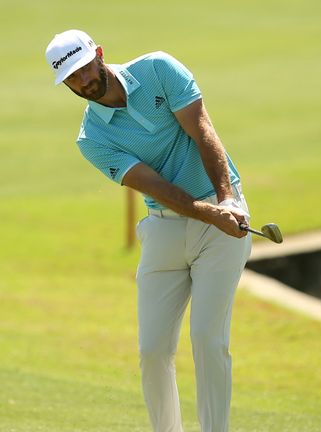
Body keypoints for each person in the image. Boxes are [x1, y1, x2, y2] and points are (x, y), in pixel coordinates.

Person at [45, 29, 252, 432]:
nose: (83, 81)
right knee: (153, 350)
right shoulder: (92, 138)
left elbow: (203, 131)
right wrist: (210, 214)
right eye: (71, 78)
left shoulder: (158, 68)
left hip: (222, 216)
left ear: (99, 54)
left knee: (209, 341)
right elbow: (156, 188)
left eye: (85, 68)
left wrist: (227, 201)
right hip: (165, 229)